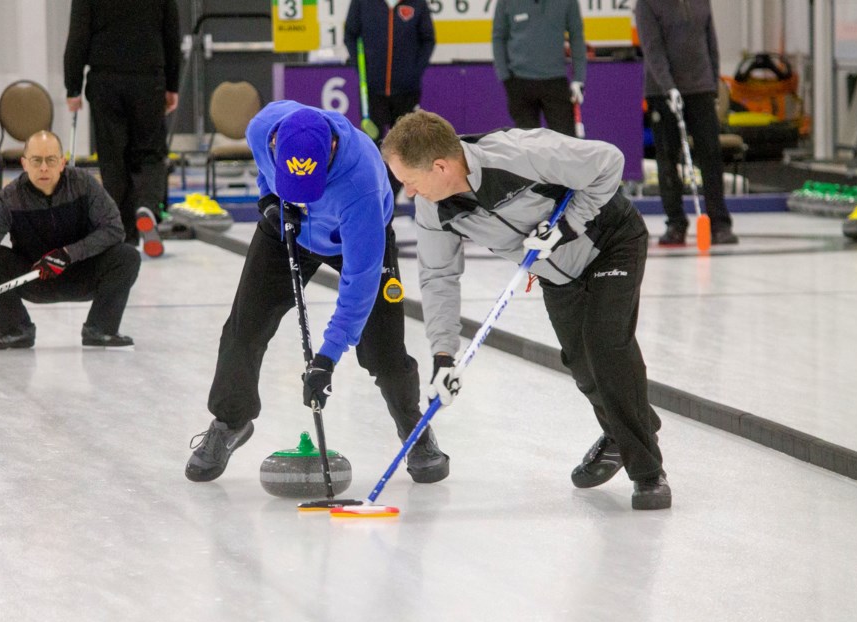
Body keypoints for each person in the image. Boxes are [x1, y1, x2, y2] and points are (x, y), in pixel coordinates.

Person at [382, 110, 671, 510]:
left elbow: (609, 161)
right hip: (556, 273)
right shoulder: (435, 210)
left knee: (607, 346)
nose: (409, 193)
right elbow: (438, 277)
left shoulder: (519, 153)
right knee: (583, 368)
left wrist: (567, 226)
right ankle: (626, 429)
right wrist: (443, 356)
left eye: (410, 182)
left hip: (609, 241)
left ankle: (648, 472)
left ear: (440, 166)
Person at [183, 100, 449, 485]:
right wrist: (270, 201)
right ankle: (230, 421)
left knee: (383, 351)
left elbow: (359, 282)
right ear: (275, 144)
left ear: (332, 153)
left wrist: (327, 357)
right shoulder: (262, 129)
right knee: (244, 328)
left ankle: (414, 429)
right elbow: (263, 173)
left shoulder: (362, 183)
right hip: (287, 227)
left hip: (350, 240)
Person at [0, 131, 140, 349]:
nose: (43, 167)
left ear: (62, 163)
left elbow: (114, 230)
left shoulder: (84, 184)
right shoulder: (8, 199)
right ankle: (15, 329)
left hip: (82, 273)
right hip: (34, 278)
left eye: (51, 160)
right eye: (36, 160)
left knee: (127, 256)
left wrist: (68, 254)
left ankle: (101, 328)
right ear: (24, 164)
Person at [64, 0, 181, 257]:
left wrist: (72, 86)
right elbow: (172, 33)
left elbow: (78, 34)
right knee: (151, 152)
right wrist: (173, 84)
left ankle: (123, 233)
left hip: (105, 78)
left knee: (112, 157)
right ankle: (148, 207)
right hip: (149, 77)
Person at [635, 0, 738, 246]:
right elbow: (653, 49)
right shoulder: (647, 4)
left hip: (700, 88)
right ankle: (675, 223)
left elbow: (710, 42)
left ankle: (719, 223)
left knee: (710, 155)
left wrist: (713, 84)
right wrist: (668, 86)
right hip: (662, 92)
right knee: (668, 157)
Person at [344, 0, 436, 198]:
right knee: (372, 144)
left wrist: (415, 71)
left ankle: (393, 194)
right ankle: (373, 193)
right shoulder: (362, 3)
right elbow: (350, 35)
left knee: (405, 145)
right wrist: (360, 68)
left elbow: (428, 39)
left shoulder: (417, 3)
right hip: (372, 90)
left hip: (406, 90)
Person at [491, 0, 586, 135]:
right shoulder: (506, 2)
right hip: (519, 82)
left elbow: (576, 36)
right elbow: (498, 37)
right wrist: (505, 77)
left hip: (556, 81)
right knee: (526, 145)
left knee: (565, 143)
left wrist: (579, 78)